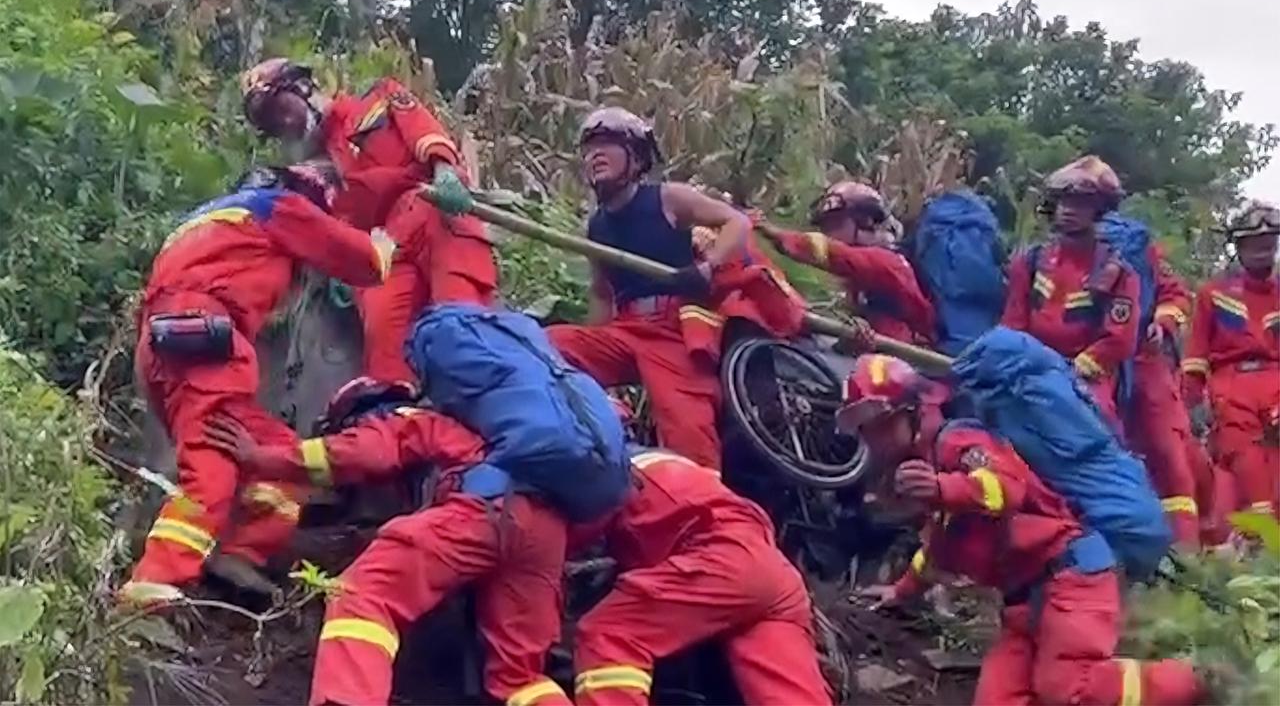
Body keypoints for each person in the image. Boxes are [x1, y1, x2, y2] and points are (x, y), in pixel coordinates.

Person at [841, 354, 1200, 706]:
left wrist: (942, 488)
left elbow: (1006, 487)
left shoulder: (959, 440)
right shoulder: (930, 464)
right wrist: (901, 590)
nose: (873, 438)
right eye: (864, 428)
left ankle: (1197, 682)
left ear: (912, 410)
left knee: (1067, 688)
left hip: (1070, 578)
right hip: (1023, 604)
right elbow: (940, 546)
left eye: (879, 423)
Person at [119, 162, 395, 607]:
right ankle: (151, 583)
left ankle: (240, 552)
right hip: (204, 337)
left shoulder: (203, 222)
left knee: (284, 458)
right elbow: (364, 262)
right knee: (211, 468)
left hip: (162, 344)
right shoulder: (279, 207)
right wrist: (382, 244)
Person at [203, 400, 572, 706]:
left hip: (482, 511)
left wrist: (264, 459)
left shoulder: (421, 416)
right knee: (520, 675)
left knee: (362, 596)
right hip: (548, 532)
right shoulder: (521, 426)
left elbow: (361, 453)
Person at [240, 58, 497, 388]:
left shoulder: (377, 99)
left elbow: (424, 131)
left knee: (462, 328)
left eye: (279, 108)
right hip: (384, 247)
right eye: (272, 125)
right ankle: (401, 420)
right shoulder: (315, 172)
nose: (283, 123)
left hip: (434, 213)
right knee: (385, 362)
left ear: (302, 87)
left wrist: (445, 170)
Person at [545, 107, 753, 473]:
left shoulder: (667, 198)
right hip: (624, 330)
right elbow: (602, 294)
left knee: (689, 433)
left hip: (671, 330)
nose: (594, 155)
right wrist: (593, 364)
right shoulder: (596, 227)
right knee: (546, 345)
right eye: (589, 149)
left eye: (606, 145)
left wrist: (708, 266)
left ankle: (707, 508)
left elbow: (735, 222)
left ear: (636, 156)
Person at [566, 451, 831, 704]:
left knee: (608, 634)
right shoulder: (672, 467)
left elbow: (549, 543)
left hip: (722, 561)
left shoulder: (606, 474)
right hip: (773, 572)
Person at [1002, 156, 1140, 430]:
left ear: (1099, 210)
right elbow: (1013, 324)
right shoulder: (1029, 263)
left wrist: (1072, 371)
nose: (1068, 210)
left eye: (1081, 204)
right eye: (1064, 201)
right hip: (1030, 368)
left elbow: (1118, 341)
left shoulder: (1119, 275)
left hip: (1086, 377)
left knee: (1094, 427)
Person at [1182, 200, 1280, 516]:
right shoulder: (1214, 293)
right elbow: (1196, 353)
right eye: (1255, 243)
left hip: (1277, 378)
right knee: (1245, 460)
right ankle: (1261, 547)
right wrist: (1192, 403)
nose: (1263, 250)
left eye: (1269, 242)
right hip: (1231, 382)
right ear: (1238, 245)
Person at [757, 181, 936, 346]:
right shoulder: (859, 276)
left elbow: (832, 253)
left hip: (915, 363)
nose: (829, 233)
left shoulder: (887, 262)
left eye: (837, 224)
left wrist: (772, 232)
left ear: (866, 221)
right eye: (826, 227)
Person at [1125, 243, 1201, 547]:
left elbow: (1175, 296)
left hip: (1145, 359)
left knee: (1169, 453)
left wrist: (1163, 323)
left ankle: (1185, 551)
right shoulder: (1047, 255)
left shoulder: (1137, 246)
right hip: (1089, 365)